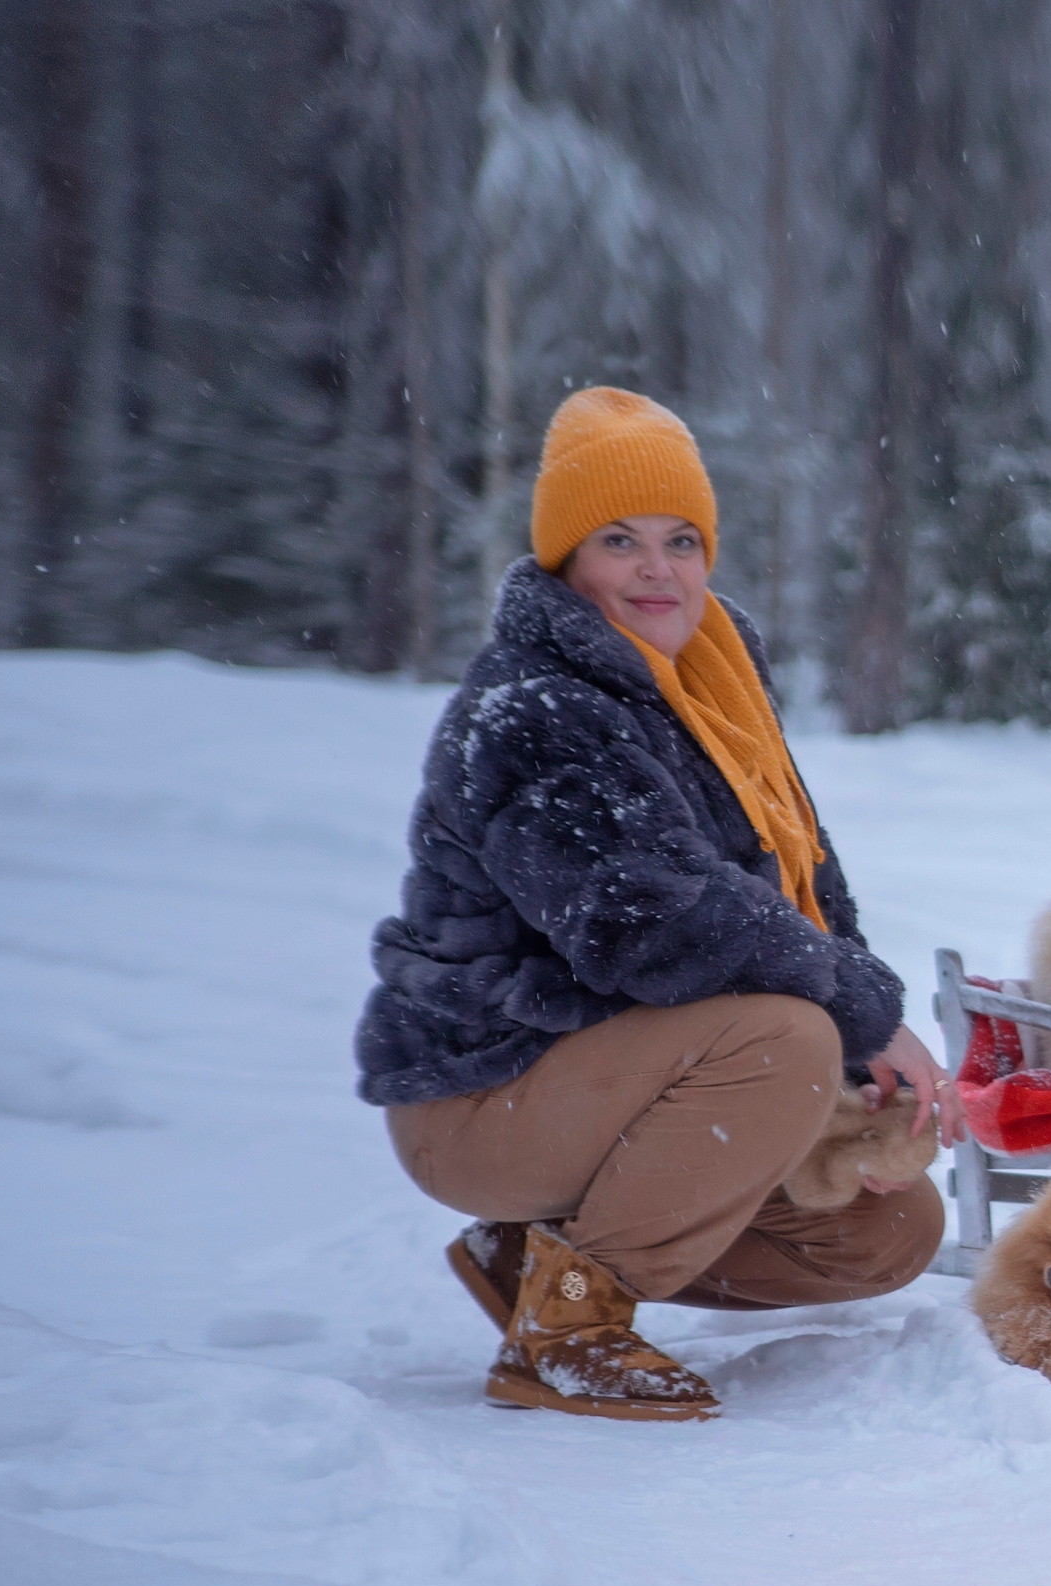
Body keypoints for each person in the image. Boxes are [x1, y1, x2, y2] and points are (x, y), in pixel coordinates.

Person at [356, 386, 961, 1422]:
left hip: (608, 1077)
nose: (657, 568)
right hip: (482, 1091)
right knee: (783, 1036)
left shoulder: (707, 694)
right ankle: (567, 1330)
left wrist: (865, 1060)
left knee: (884, 1232)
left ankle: (539, 1259)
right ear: (566, 561)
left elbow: (802, 893)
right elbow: (651, 923)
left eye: (681, 539)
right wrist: (863, 1015)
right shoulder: (535, 707)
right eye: (619, 540)